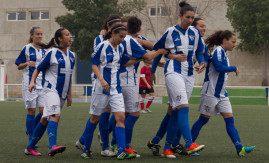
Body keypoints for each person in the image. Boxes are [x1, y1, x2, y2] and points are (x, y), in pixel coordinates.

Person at [147, 1, 207, 158]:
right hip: (173, 72)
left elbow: (200, 51)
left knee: (175, 111)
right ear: (180, 16)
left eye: (192, 17)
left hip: (189, 74)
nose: (189, 20)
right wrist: (153, 70)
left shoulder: (194, 32)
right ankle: (189, 143)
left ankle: (167, 147)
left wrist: (202, 63)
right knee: (184, 107)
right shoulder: (170, 31)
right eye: (187, 17)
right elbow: (158, 50)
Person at [191, 30, 256, 156]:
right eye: (232, 42)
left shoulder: (224, 53)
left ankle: (240, 148)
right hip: (211, 92)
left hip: (222, 93)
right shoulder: (218, 51)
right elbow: (219, 67)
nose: (234, 44)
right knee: (203, 120)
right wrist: (234, 68)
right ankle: (190, 146)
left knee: (230, 121)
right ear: (224, 41)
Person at [78, 24, 137, 160]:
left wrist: (143, 58)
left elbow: (123, 63)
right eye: (120, 36)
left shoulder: (121, 48)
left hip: (116, 89)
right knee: (95, 118)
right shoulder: (103, 46)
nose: (122, 39)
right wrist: (102, 79)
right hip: (101, 89)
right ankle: (86, 149)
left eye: (124, 37)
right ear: (113, 34)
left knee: (120, 117)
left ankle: (121, 150)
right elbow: (94, 64)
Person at [118, 16, 168, 157]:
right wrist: (159, 53)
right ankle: (124, 147)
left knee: (121, 114)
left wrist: (156, 62)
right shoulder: (131, 41)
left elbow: (142, 55)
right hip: (128, 81)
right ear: (139, 28)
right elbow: (149, 56)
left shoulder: (121, 39)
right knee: (133, 114)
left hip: (117, 79)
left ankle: (114, 144)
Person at [76, 15, 122, 157]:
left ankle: (98, 145)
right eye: (116, 26)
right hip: (100, 81)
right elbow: (95, 59)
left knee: (111, 114)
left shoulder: (119, 43)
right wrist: (101, 79)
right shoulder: (100, 40)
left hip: (113, 83)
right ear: (109, 26)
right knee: (99, 115)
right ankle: (96, 145)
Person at [24, 28, 75, 157]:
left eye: (70, 34)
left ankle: (29, 147)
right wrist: (32, 82)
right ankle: (52, 146)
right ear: (60, 39)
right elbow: (38, 69)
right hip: (50, 90)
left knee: (45, 119)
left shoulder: (72, 55)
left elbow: (69, 77)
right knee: (55, 116)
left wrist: (69, 95)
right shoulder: (52, 53)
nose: (70, 36)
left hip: (62, 94)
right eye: (67, 34)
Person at [15, 26, 45, 147]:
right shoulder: (26, 48)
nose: (40, 36)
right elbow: (18, 65)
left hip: (42, 84)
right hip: (29, 84)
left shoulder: (45, 49)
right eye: (37, 34)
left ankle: (31, 129)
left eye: (41, 34)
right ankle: (31, 138)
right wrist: (27, 63)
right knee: (31, 110)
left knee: (44, 112)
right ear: (32, 35)